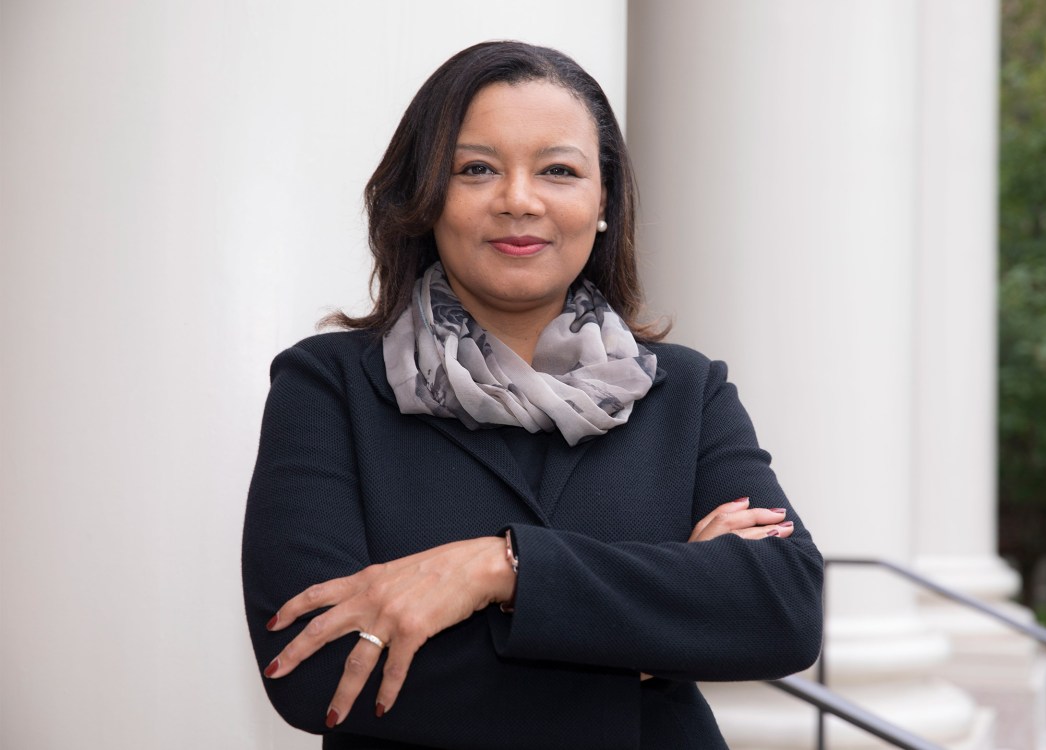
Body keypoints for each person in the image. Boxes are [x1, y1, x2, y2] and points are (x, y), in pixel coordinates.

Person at [242, 40, 823, 750]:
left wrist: (499, 569)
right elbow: (316, 666)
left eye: (558, 170)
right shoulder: (329, 387)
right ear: (424, 197)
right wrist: (649, 648)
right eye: (477, 169)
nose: (519, 200)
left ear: (602, 200)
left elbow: (784, 608)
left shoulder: (688, 392)